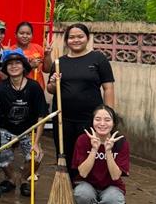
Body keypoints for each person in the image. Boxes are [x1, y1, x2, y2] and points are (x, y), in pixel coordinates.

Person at [47, 23, 115, 174]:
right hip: (62, 119)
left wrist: (109, 117)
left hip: (90, 119)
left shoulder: (98, 58)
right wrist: (52, 83)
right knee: (65, 154)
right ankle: (68, 186)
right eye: (71, 37)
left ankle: (86, 189)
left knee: (89, 153)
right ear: (66, 40)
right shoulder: (59, 63)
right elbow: (51, 90)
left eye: (80, 36)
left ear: (87, 38)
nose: (75, 40)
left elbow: (108, 88)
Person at [0, 48, 48, 196]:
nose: (14, 66)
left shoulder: (34, 87)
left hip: (29, 129)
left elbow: (42, 116)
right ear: (6, 68)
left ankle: (23, 179)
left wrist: (36, 142)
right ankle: (11, 178)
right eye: (10, 64)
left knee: (37, 155)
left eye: (17, 63)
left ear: (24, 66)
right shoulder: (2, 87)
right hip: (6, 129)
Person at [72, 105, 129, 204]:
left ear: (113, 123)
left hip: (111, 186)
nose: (102, 123)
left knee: (114, 200)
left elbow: (115, 176)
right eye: (98, 119)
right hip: (87, 183)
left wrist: (108, 151)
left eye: (107, 120)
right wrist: (94, 149)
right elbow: (83, 173)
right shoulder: (83, 140)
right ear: (92, 122)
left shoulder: (121, 142)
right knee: (82, 194)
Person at [11, 21, 49, 90]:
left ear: (32, 36)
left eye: (28, 34)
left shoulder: (38, 48)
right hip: (18, 90)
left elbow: (47, 70)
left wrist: (47, 55)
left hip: (38, 90)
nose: (25, 36)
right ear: (15, 35)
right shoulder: (11, 51)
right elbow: (10, 74)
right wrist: (30, 66)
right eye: (21, 33)